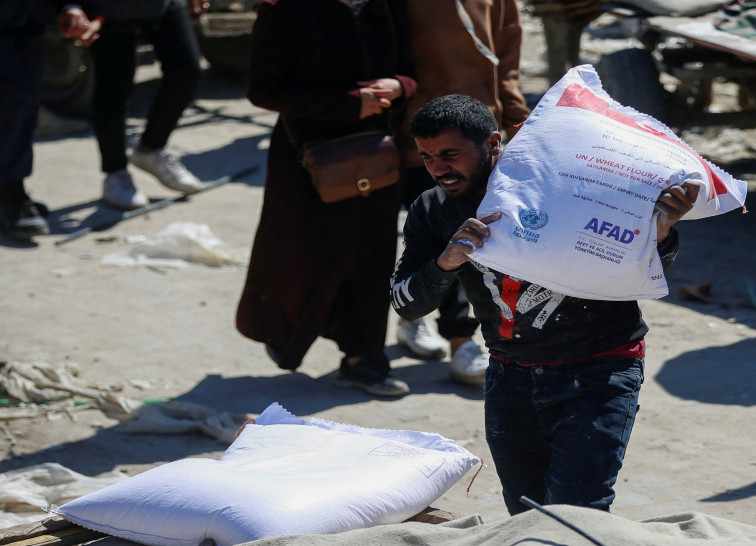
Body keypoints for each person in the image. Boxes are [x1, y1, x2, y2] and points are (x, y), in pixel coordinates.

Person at [390, 94, 698, 513]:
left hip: (599, 369)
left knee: (578, 510)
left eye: (450, 155)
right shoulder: (432, 209)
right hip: (509, 375)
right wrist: (447, 261)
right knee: (526, 513)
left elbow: (636, 269)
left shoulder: (566, 186)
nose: (438, 169)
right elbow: (406, 304)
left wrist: (659, 231)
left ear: (493, 143)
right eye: (427, 157)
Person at [236, 0, 416, 397]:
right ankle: (285, 332)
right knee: (307, 256)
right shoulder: (283, 10)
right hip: (306, 160)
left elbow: (411, 70)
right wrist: (348, 103)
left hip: (375, 156)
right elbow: (263, 89)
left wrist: (399, 86)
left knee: (373, 259)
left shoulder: (385, 6)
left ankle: (363, 361)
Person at [394, 0, 532, 384]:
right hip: (416, 127)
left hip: (478, 131)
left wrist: (515, 114)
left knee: (480, 242)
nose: (437, 167)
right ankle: (440, 329)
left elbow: (506, 53)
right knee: (444, 242)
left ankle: (463, 341)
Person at [88, 0, 206, 210]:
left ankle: (151, 148)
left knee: (187, 70)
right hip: (110, 8)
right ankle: (115, 172)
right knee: (114, 86)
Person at [0, 1, 100, 242]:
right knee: (13, 98)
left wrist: (68, 6)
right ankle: (10, 193)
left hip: (28, 17)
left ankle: (11, 188)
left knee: (25, 102)